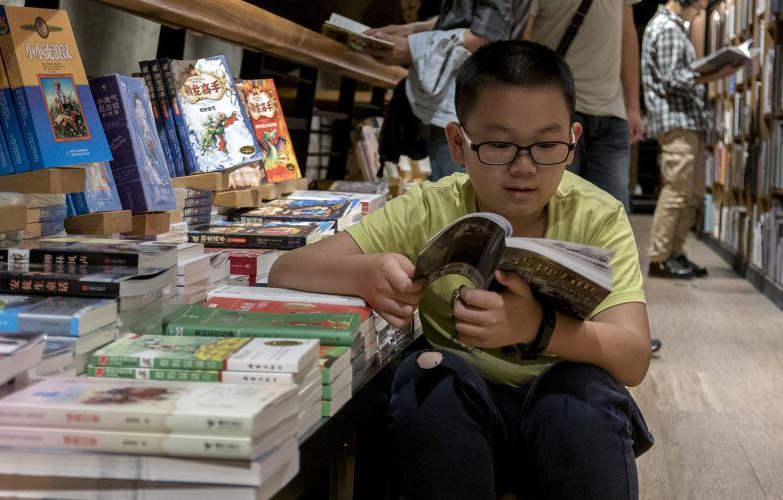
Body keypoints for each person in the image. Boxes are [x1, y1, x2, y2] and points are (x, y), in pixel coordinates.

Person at [270, 40, 653, 498]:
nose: (524, 167)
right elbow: (287, 269)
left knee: (585, 400)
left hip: (561, 415)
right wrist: (363, 273)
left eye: (546, 145)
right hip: (461, 413)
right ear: (457, 143)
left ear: (572, 143)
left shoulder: (598, 216)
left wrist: (536, 328)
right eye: (498, 145)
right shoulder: (433, 207)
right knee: (428, 381)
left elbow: (633, 357)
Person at [363, 1, 518, 181]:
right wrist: (411, 30)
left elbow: (486, 37)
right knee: (450, 191)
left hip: (466, 101)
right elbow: (461, 18)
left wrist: (412, 47)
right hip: (456, 102)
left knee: (457, 196)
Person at [523, 0, 642, 212]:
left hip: (611, 116)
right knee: (554, 216)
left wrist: (633, 106)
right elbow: (521, 40)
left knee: (611, 218)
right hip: (556, 112)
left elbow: (628, 34)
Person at [642, 0, 732, 278]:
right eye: (698, 7)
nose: (699, 13)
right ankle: (659, 257)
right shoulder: (667, 28)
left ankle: (675, 252)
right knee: (676, 191)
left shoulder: (674, 28)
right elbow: (672, 78)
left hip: (686, 121)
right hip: (675, 120)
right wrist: (715, 74)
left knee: (691, 193)